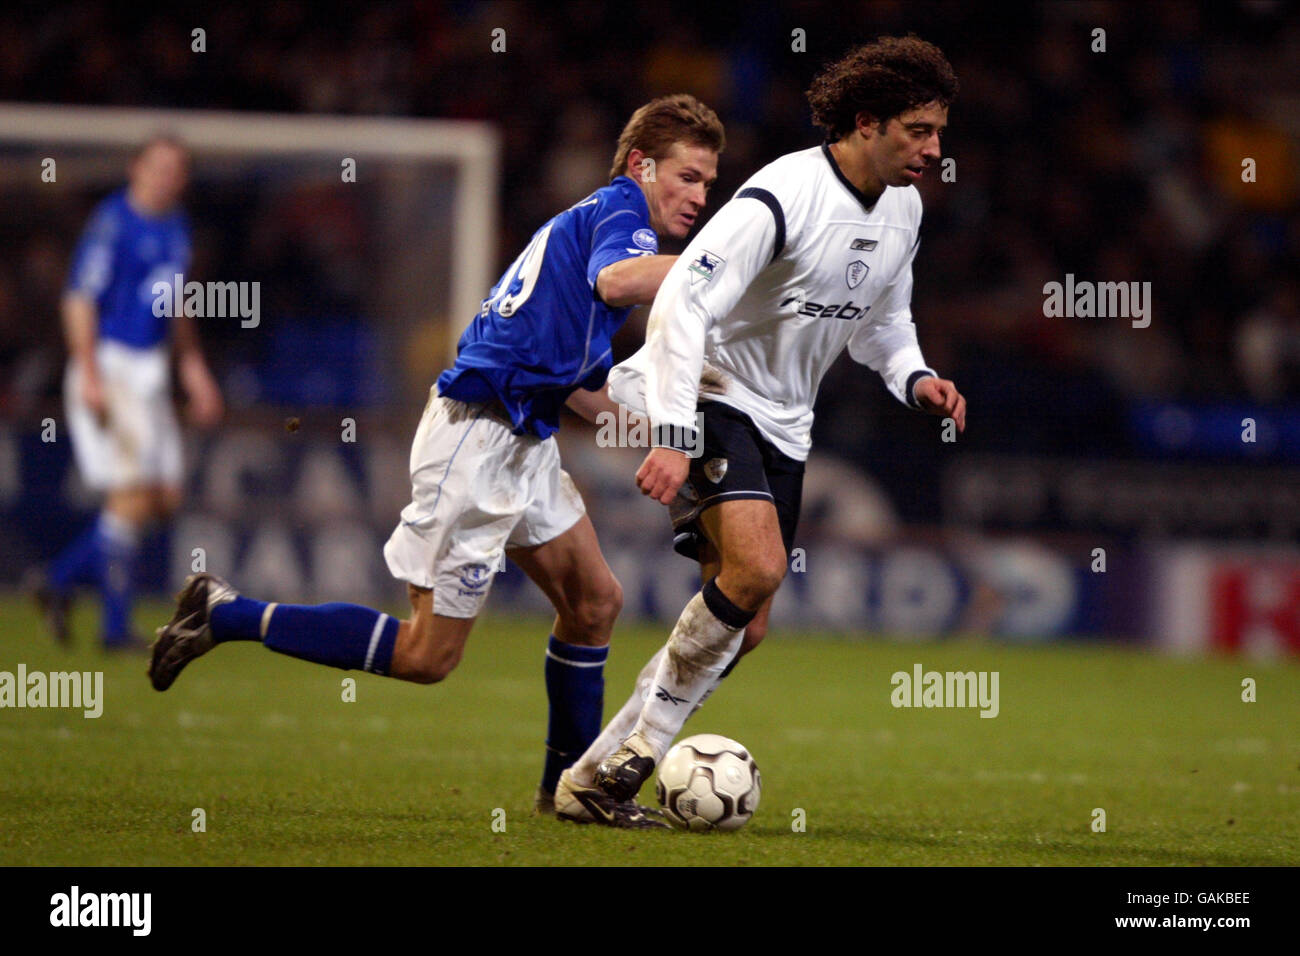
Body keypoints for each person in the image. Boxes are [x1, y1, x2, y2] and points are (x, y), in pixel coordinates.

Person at [147, 95, 724, 828]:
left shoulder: (590, 230)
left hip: (523, 439)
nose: (701, 197)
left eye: (709, 184)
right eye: (689, 177)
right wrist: (714, 270)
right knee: (428, 656)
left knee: (594, 603)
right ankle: (227, 615)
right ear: (643, 167)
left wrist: (662, 435)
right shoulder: (620, 213)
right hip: (475, 443)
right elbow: (620, 281)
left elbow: (577, 383)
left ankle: (571, 792)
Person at [564, 37, 968, 807]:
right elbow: (682, 303)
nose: (933, 148)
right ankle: (644, 751)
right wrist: (677, 437)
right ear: (865, 122)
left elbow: (885, 319)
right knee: (759, 570)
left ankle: (591, 776)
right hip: (708, 390)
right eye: (918, 130)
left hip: (783, 420)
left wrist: (914, 376)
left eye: (938, 132)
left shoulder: (905, 209)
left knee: (744, 625)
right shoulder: (781, 196)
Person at [36, 135, 223, 650]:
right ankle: (113, 628)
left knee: (164, 499)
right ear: (135, 168)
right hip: (113, 366)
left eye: (176, 169)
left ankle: (57, 581)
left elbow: (176, 307)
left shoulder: (177, 226)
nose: (167, 177)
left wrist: (194, 372)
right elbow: (78, 300)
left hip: (151, 374)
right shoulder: (112, 222)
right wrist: (91, 374)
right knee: (132, 495)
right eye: (158, 166)